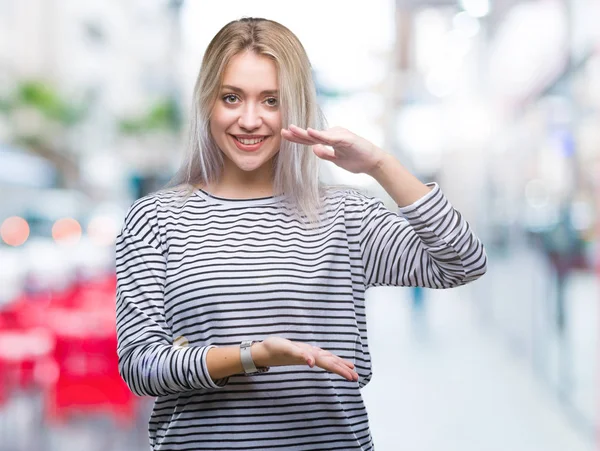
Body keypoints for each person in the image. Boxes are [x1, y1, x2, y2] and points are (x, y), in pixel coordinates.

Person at [115, 17, 487, 451]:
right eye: (231, 98)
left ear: (294, 107)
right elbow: (141, 366)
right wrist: (254, 356)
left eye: (271, 101)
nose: (249, 119)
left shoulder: (345, 215)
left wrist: (381, 165)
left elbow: (463, 263)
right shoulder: (156, 218)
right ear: (208, 104)